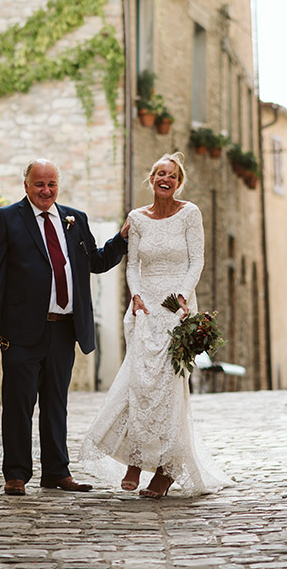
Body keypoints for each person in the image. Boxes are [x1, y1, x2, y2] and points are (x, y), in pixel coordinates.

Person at [79, 152, 230, 498]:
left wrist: (183, 297)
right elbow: (132, 266)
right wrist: (135, 296)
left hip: (175, 307)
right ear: (151, 178)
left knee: (168, 389)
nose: (166, 179)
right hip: (144, 307)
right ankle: (134, 457)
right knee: (139, 383)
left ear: (179, 182)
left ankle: (166, 470)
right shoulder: (137, 218)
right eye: (160, 173)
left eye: (172, 176)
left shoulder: (190, 214)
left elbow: (198, 260)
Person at [0, 159, 129, 496]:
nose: (45, 191)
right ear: (26, 185)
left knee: (56, 403)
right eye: (39, 185)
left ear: (57, 185)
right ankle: (16, 474)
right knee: (18, 403)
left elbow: (95, 261)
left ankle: (56, 472)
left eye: (51, 185)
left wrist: (120, 239)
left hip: (63, 328)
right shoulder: (6, 218)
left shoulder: (74, 219)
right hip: (20, 329)